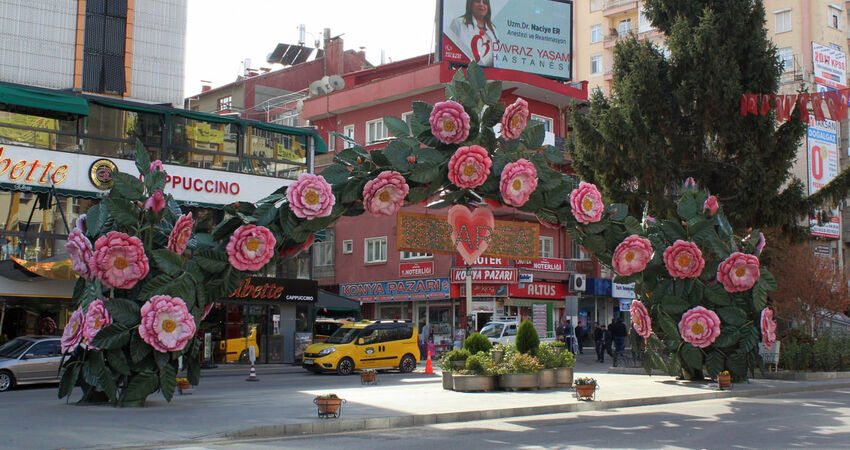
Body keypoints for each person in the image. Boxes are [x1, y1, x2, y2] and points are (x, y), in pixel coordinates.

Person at [448, 0, 498, 66]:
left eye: (485, 2)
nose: (481, 4)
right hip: (464, 71)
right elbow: (450, 51)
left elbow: (497, 58)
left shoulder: (493, 29)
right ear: (470, 3)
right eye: (477, 1)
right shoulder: (458, 23)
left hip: (490, 74)